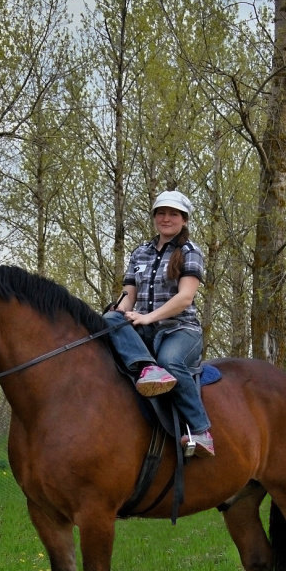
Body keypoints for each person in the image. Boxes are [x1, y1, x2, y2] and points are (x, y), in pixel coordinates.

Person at [104, 190, 214, 456]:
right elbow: (129, 295)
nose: (166, 218)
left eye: (173, 214)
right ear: (154, 217)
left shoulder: (191, 252)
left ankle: (201, 431)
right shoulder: (139, 252)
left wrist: (147, 317)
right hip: (144, 329)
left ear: (184, 219)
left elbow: (185, 298)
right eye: (161, 213)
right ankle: (146, 369)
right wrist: (120, 314)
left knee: (170, 361)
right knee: (108, 320)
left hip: (181, 330)